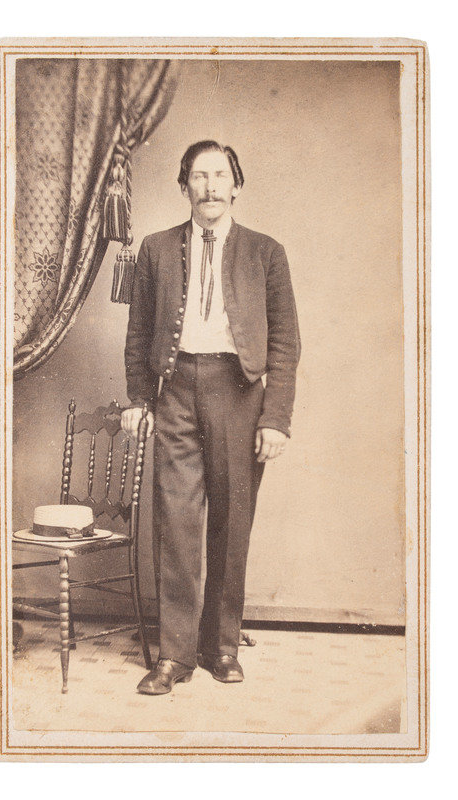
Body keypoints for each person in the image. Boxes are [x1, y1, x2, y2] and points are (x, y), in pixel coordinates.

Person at [121, 140, 300, 695]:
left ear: (236, 186)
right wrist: (138, 399)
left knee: (231, 520)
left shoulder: (266, 252)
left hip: (239, 393)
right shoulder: (154, 249)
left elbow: (285, 343)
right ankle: (174, 656)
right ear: (184, 187)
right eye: (199, 176)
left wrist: (276, 418)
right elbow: (138, 333)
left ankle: (221, 646)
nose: (210, 186)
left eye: (220, 175)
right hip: (174, 391)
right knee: (175, 522)